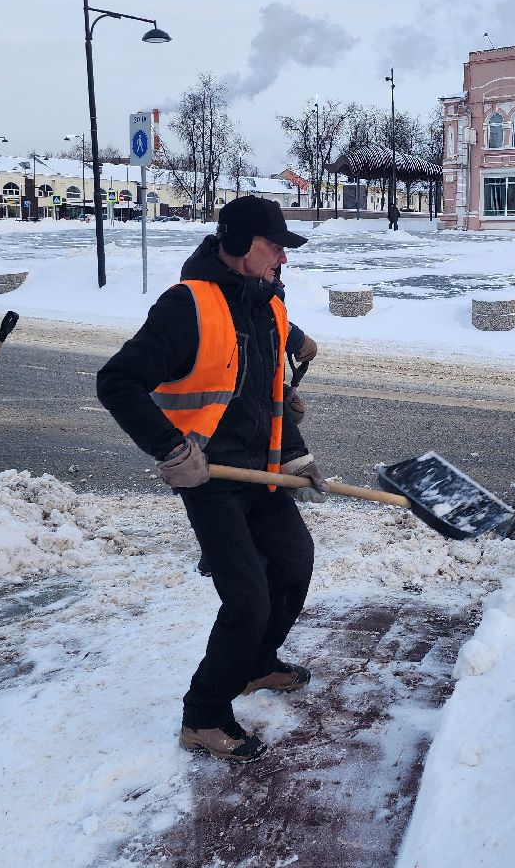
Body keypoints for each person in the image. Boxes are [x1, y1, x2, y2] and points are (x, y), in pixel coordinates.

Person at [97, 196, 326, 764]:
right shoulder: (186, 306)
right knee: (246, 596)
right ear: (243, 244)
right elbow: (117, 381)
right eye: (276, 247)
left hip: (263, 469)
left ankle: (255, 663)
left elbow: (271, 394)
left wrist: (295, 457)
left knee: (294, 565)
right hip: (211, 476)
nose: (283, 260)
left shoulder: (267, 306)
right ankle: (203, 716)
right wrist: (172, 449)